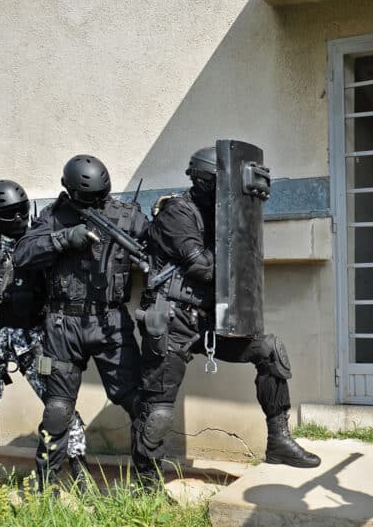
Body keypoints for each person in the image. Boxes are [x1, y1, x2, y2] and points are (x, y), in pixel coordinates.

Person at [130, 146, 320, 490]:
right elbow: (203, 268)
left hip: (208, 318)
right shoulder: (177, 212)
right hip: (172, 318)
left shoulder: (224, 215)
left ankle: (278, 443)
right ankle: (145, 483)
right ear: (204, 181)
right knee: (157, 410)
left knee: (269, 351)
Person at [0, 179, 90, 490]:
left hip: (33, 336)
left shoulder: (37, 235)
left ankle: (75, 463)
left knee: (58, 402)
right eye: (11, 214)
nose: (20, 218)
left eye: (23, 210)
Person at [12, 156, 146, 488]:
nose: (97, 202)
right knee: (58, 409)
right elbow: (22, 255)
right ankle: (46, 489)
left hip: (110, 320)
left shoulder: (126, 216)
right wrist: (63, 239)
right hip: (62, 324)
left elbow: (160, 247)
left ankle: (148, 484)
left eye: (102, 194)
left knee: (140, 402)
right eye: (90, 197)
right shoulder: (53, 217)